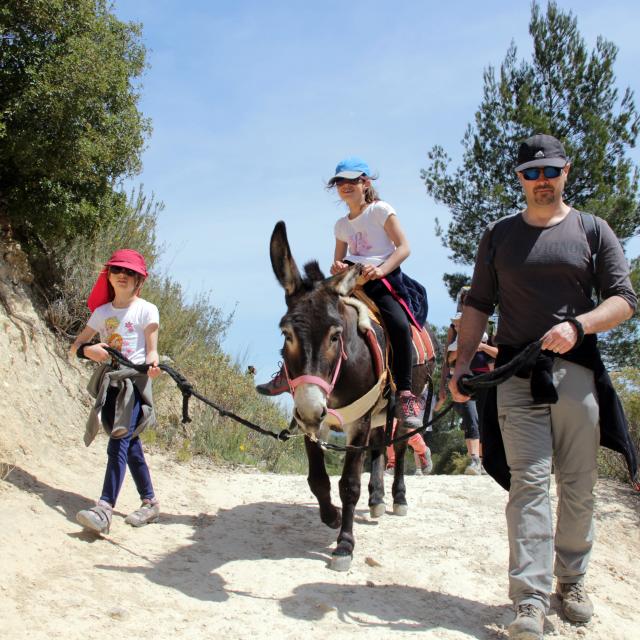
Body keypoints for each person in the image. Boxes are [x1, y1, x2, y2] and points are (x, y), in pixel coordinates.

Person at [449, 134, 637, 640]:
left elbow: (624, 299)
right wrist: (461, 366)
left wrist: (578, 325)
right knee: (529, 484)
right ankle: (528, 599)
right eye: (532, 174)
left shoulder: (593, 230)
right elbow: (478, 305)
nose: (542, 182)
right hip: (515, 375)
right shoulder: (499, 236)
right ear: (520, 179)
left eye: (550, 172)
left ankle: (571, 581)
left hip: (577, 371)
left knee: (579, 486)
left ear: (566, 172)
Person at [257, 157, 427, 430]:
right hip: (348, 282)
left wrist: (382, 270)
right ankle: (288, 375)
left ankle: (405, 392)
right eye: (340, 182)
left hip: (381, 281)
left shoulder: (381, 210)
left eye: (352, 181)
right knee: (311, 320)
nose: (345, 186)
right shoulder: (341, 225)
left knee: (397, 323)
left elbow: (404, 247)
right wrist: (337, 267)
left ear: (366, 183)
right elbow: (337, 261)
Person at [70, 249, 162, 534]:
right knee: (130, 443)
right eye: (117, 270)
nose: (123, 276)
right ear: (108, 275)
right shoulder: (102, 313)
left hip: (132, 384)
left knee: (119, 441)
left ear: (140, 280)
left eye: (130, 272)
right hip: (108, 383)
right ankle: (150, 502)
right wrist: (90, 351)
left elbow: (152, 351)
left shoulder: (147, 310)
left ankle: (105, 508)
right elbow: (76, 347)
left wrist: (153, 364)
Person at [438, 310, 497, 475]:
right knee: (471, 418)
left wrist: (483, 346)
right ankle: (475, 460)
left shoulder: (487, 336)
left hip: (485, 381)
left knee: (484, 421)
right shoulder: (453, 343)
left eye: (460, 323)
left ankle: (484, 462)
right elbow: (449, 359)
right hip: (465, 383)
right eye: (456, 324)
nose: (457, 327)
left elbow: (498, 355)